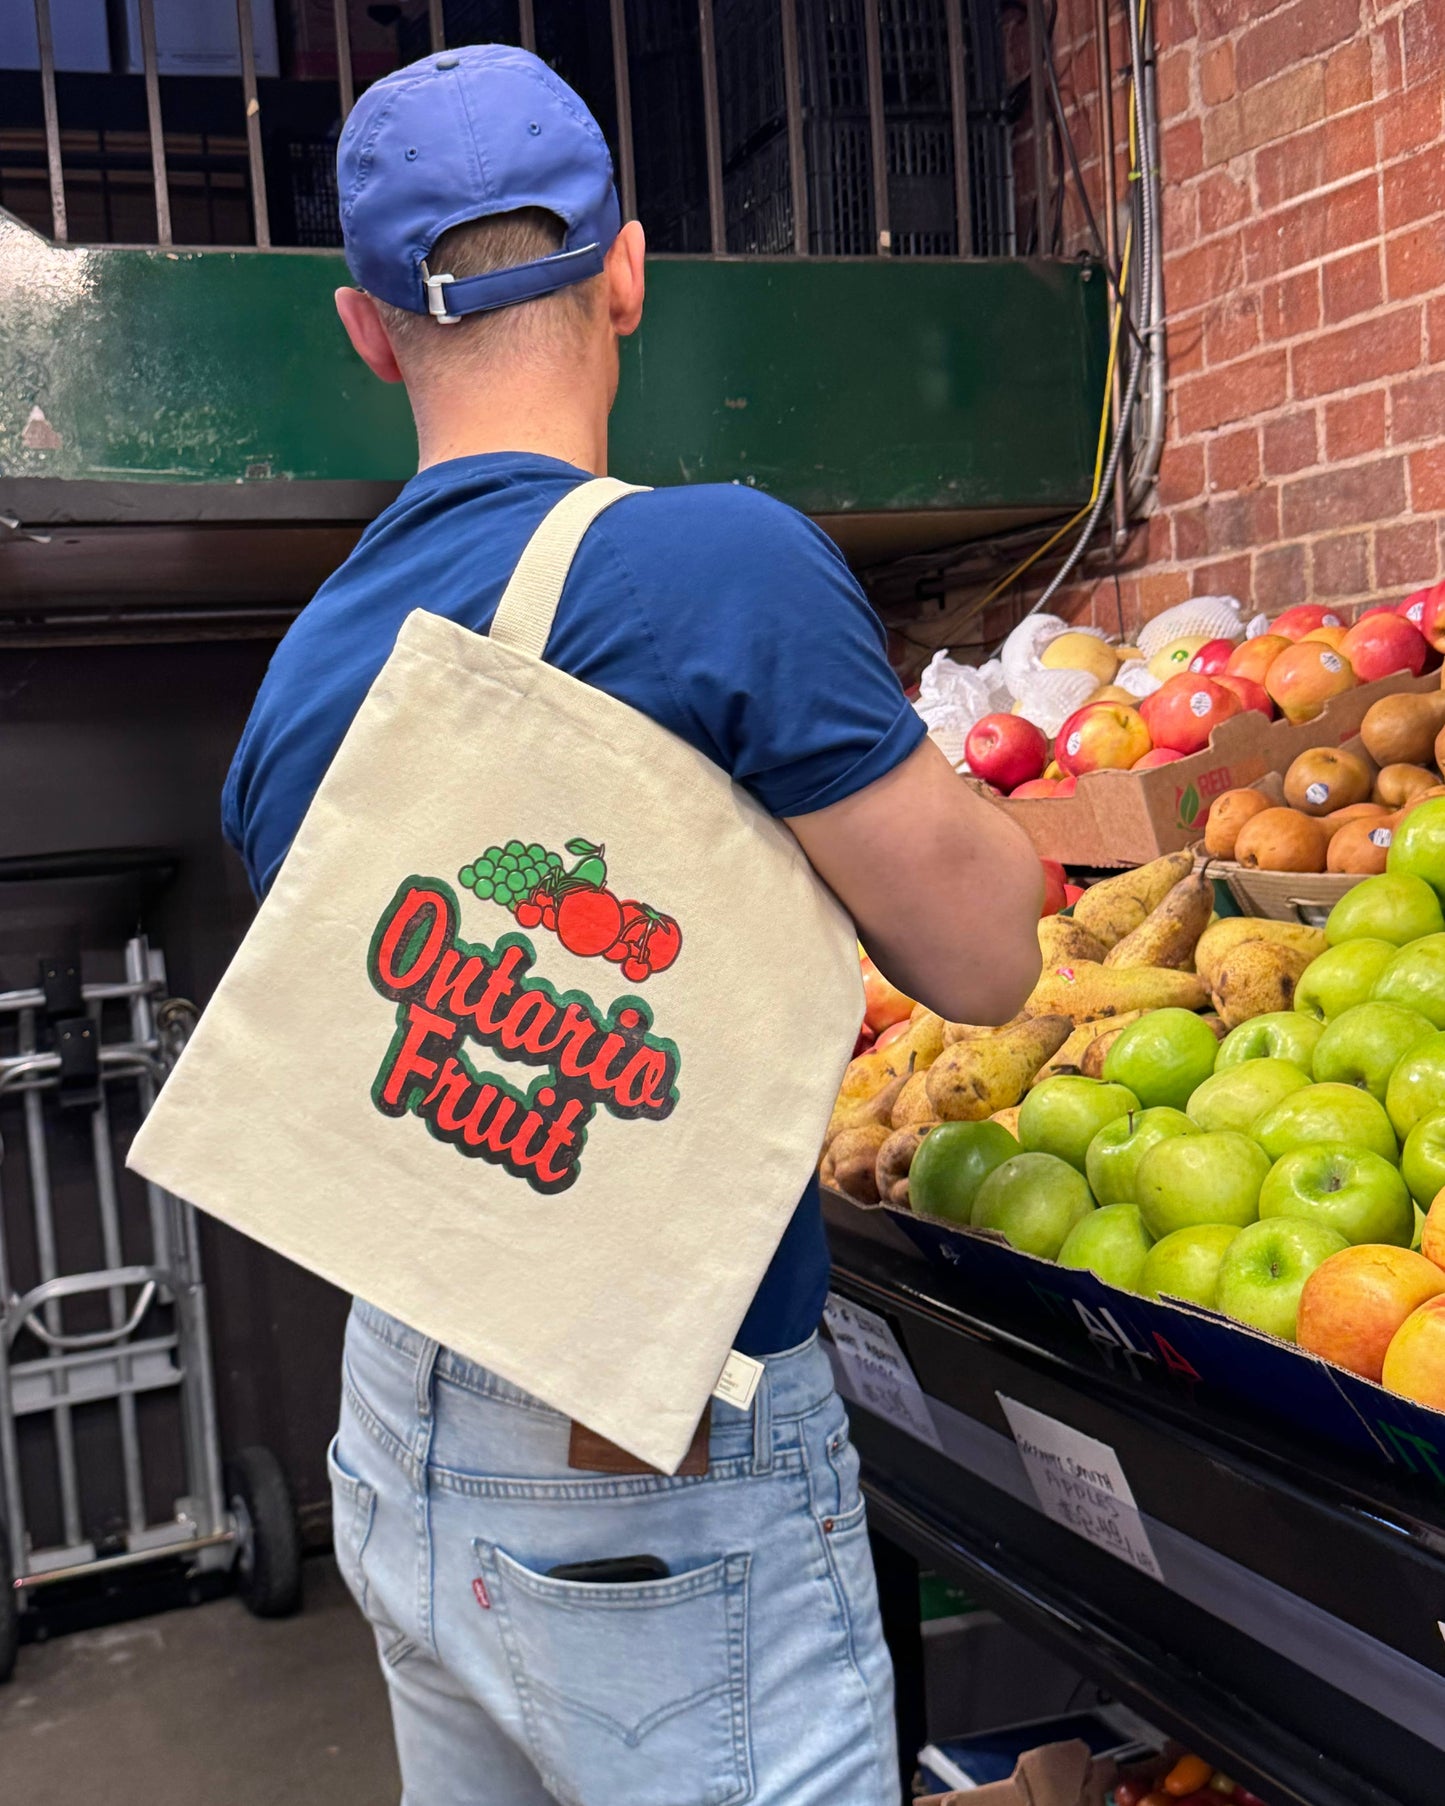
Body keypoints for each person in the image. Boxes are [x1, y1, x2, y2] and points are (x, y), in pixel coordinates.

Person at [222, 44, 1043, 1806]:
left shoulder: (300, 686)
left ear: (368, 330)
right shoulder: (712, 568)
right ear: (628, 269)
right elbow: (986, 961)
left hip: (402, 1426)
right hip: (654, 1454)